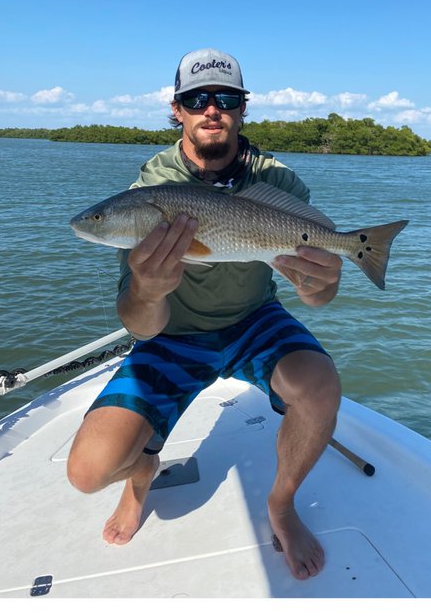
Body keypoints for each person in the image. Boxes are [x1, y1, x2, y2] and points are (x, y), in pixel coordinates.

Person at [66, 48, 344, 581]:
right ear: (177, 109)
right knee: (86, 471)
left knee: (320, 384)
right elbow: (139, 325)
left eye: (225, 99)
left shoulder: (278, 181)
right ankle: (141, 469)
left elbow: (317, 297)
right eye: (197, 99)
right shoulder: (145, 191)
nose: (211, 109)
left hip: (253, 320)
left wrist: (321, 286)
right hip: (174, 330)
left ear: (242, 109)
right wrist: (148, 290)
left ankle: (281, 504)